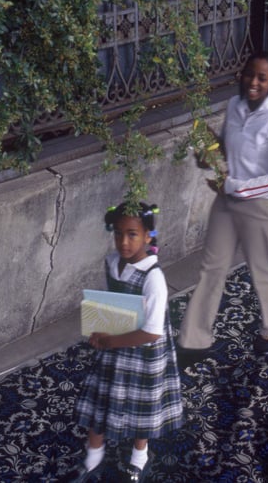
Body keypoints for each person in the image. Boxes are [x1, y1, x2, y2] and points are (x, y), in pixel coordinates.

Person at [177, 51, 268, 363]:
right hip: (227, 202)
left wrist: (234, 186)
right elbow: (227, 150)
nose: (253, 82)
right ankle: (195, 339)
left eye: (262, 78)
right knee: (211, 266)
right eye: (250, 75)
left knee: (261, 267)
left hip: (263, 207)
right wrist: (209, 155)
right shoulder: (234, 106)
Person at [73, 202, 183, 482]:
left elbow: (152, 333)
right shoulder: (112, 262)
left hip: (143, 353)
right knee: (103, 396)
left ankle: (139, 457)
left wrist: (112, 342)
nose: (124, 241)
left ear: (148, 235)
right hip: (115, 345)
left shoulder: (153, 278)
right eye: (118, 233)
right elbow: (115, 304)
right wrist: (101, 329)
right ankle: (93, 457)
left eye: (133, 234)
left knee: (140, 406)